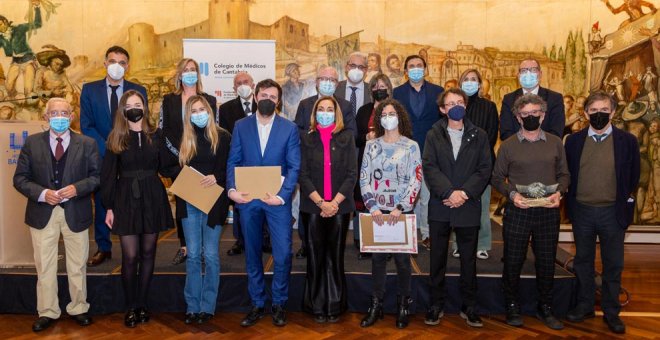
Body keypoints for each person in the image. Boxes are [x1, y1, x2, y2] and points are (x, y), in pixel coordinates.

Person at [13, 98, 99, 332]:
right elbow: (20, 178)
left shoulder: (87, 143)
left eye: (64, 112)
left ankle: (78, 307)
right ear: (46, 117)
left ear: (72, 117)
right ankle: (48, 311)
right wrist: (42, 193)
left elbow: (95, 177)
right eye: (54, 113)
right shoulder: (32, 143)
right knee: (45, 265)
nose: (59, 117)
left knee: (77, 265)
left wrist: (77, 188)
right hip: (42, 212)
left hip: (76, 212)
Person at [564, 91, 640, 334]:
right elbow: (568, 175)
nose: (599, 114)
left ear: (613, 112)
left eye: (604, 110)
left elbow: (634, 176)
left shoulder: (627, 141)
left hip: (612, 213)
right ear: (586, 113)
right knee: (583, 262)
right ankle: (585, 305)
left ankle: (611, 311)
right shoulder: (573, 142)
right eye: (593, 110)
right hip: (582, 211)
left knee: (613, 264)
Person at [491, 93, 570, 330]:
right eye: (525, 114)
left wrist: (560, 193)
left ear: (543, 115)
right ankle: (512, 306)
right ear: (517, 117)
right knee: (513, 260)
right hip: (518, 211)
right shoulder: (508, 146)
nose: (531, 117)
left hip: (547, 211)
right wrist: (513, 195)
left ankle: (545, 306)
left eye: (535, 113)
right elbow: (496, 178)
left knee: (546, 261)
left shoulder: (556, 142)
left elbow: (564, 175)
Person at [227, 79, 301, 327]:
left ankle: (279, 302)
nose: (268, 99)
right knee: (252, 255)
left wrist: (283, 195)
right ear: (256, 97)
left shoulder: (289, 128)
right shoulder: (240, 125)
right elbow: (233, 160)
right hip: (248, 200)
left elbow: (294, 167)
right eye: (264, 95)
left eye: (273, 96)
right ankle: (258, 303)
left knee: (282, 255)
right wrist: (232, 189)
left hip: (276, 200)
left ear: (278, 100)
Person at [100, 90, 175, 328]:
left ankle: (142, 303)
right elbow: (109, 176)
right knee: (130, 256)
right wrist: (109, 207)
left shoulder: (156, 134)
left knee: (149, 253)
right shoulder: (116, 137)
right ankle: (130, 305)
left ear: (145, 107)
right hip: (126, 199)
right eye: (130, 105)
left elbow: (167, 168)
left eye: (138, 104)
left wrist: (196, 173)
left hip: (153, 196)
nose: (135, 108)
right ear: (123, 110)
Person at [422, 88, 492, 328]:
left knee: (468, 261)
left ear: (466, 105)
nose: (455, 106)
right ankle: (435, 305)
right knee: (437, 260)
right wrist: (449, 192)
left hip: (468, 205)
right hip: (441, 205)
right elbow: (429, 167)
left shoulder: (479, 135)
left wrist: (463, 193)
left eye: (459, 102)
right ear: (442, 109)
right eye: (450, 103)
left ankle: (469, 306)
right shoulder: (433, 133)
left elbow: (485, 169)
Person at [80, 45, 148, 267]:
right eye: (112, 61)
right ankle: (103, 247)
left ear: (128, 66)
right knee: (103, 200)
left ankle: (134, 244)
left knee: (132, 199)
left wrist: (126, 147)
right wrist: (110, 147)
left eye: (121, 62)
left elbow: (141, 122)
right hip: (102, 155)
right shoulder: (90, 90)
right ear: (105, 63)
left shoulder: (138, 90)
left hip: (131, 156)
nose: (116, 66)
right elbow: (86, 126)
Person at [359, 98, 422, 329]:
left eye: (392, 113)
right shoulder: (371, 145)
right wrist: (373, 206)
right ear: (379, 119)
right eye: (384, 114)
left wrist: (401, 207)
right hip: (377, 211)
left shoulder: (411, 146)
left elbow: (416, 179)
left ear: (400, 116)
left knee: (403, 261)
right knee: (377, 261)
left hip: (401, 211)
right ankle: (376, 304)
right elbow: (364, 178)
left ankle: (403, 305)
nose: (388, 117)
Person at [299, 96, 357, 323]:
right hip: (312, 207)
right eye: (321, 109)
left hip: (340, 208)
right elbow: (302, 175)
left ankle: (334, 305)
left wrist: (334, 203)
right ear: (314, 114)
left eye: (329, 109)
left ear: (337, 113)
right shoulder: (305, 137)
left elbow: (352, 174)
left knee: (335, 257)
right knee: (315, 257)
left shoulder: (347, 137)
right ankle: (315, 306)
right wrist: (321, 203)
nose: (325, 112)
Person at [175, 95, 231, 324]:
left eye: (202, 109)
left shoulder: (223, 136)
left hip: (214, 201)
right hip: (189, 201)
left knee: (210, 254)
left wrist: (215, 176)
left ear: (209, 110)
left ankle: (208, 306)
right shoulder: (185, 138)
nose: (199, 114)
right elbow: (174, 168)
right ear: (188, 115)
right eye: (194, 111)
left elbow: (229, 167)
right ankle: (192, 306)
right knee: (194, 255)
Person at [294, 66, 357, 258]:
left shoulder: (345, 106)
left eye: (332, 79)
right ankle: (305, 244)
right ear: (317, 81)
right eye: (324, 78)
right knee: (314, 248)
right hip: (312, 171)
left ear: (337, 83)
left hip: (338, 170)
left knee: (335, 253)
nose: (327, 82)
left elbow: (351, 134)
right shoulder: (305, 104)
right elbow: (298, 133)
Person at [160, 58, 218, 265]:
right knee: (184, 205)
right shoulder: (169, 100)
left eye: (193, 70)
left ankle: (204, 248)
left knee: (205, 206)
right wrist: (181, 156)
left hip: (205, 162)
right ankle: (185, 247)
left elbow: (215, 131)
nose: (190, 73)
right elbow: (164, 130)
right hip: (179, 161)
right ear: (179, 74)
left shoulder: (209, 100)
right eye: (186, 70)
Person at [393, 54, 444, 250]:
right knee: (404, 194)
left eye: (419, 65)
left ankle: (427, 233)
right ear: (406, 71)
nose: (416, 69)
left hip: (430, 151)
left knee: (427, 195)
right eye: (411, 66)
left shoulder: (437, 92)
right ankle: (403, 233)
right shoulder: (397, 93)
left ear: (425, 69)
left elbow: (442, 122)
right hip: (404, 152)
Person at [218, 71, 271, 256]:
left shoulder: (265, 104)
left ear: (253, 84)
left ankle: (265, 238)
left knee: (264, 200)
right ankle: (240, 241)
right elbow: (225, 138)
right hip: (241, 164)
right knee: (242, 205)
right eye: (238, 83)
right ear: (234, 88)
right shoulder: (225, 109)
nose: (242, 85)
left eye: (246, 81)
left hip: (263, 163)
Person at [451, 69, 499, 260]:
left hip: (481, 167)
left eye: (473, 80)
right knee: (457, 206)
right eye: (466, 79)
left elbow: (491, 136)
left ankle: (482, 244)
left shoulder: (489, 106)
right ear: (460, 84)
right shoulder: (454, 107)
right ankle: (457, 244)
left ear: (479, 84)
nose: (469, 82)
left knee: (481, 206)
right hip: (456, 166)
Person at [354, 73, 393, 259]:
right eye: (376, 86)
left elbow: (406, 133)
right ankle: (367, 244)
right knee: (367, 202)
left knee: (387, 201)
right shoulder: (364, 110)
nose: (380, 89)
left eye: (383, 85)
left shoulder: (397, 109)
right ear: (371, 90)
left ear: (389, 88)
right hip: (367, 163)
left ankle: (388, 243)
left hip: (390, 164)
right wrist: (366, 138)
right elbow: (355, 137)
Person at [499, 58, 565, 141]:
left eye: (533, 70)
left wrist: (536, 148)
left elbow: (556, 131)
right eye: (523, 71)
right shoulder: (508, 99)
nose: (528, 73)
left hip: (546, 151)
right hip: (516, 151)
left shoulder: (555, 98)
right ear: (518, 75)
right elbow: (505, 132)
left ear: (540, 74)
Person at [335, 52, 373, 117]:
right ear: (346, 67)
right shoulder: (335, 88)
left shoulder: (372, 90)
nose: (356, 69)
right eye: (353, 66)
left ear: (366, 70)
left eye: (361, 67)